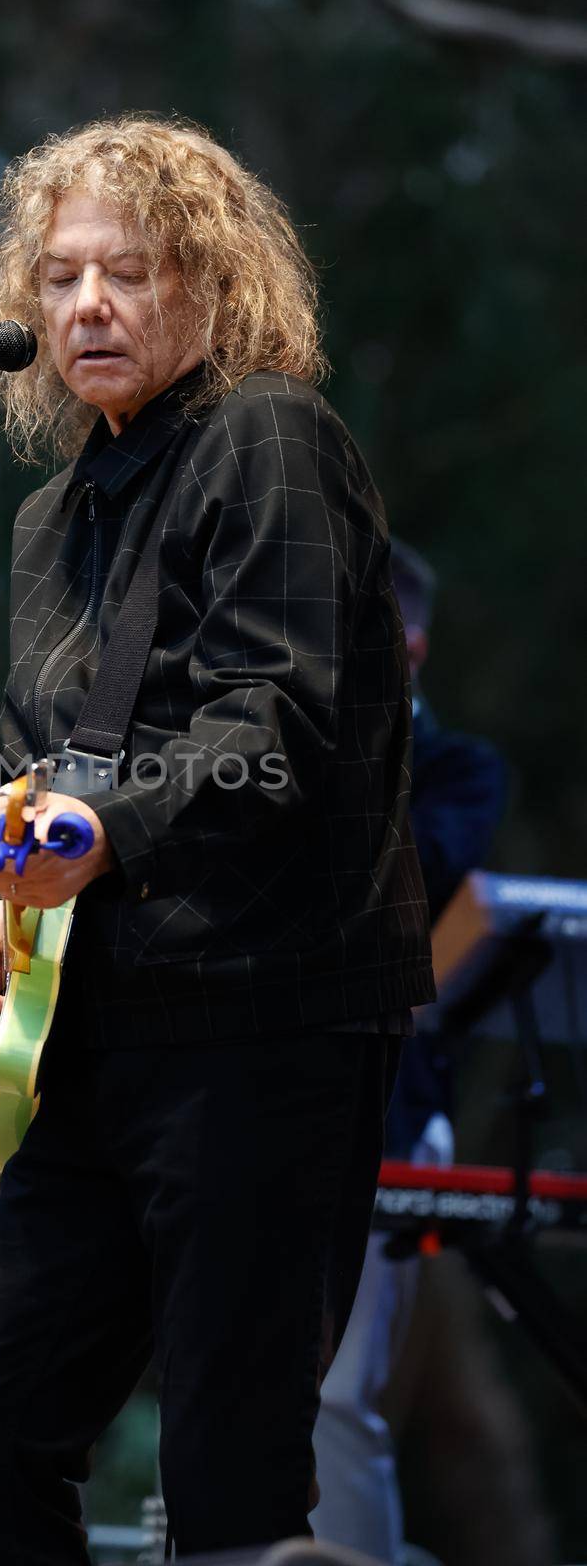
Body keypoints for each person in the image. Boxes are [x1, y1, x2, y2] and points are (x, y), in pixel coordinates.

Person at [0, 115, 435, 1564]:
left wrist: (97, 827)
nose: (85, 305)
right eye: (62, 276)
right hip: (91, 1035)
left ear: (210, 287)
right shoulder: (47, 516)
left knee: (227, 1484)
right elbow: (34, 772)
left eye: (128, 273)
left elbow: (274, 720)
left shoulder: (265, 434)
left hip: (260, 1032)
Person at [312, 540, 507, 1563]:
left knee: (336, 1393)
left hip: (382, 1114)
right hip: (260, 1105)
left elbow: (410, 880)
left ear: (411, 647)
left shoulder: (455, 770)